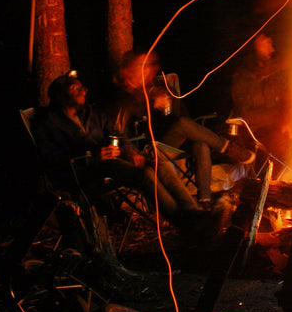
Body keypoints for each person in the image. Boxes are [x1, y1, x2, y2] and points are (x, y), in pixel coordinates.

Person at [33, 71, 206, 234]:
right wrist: (92, 158)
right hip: (84, 173)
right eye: (76, 88)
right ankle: (186, 223)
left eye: (83, 87)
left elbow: (116, 135)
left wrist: (129, 151)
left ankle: (194, 213)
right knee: (144, 174)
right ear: (60, 94)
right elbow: (51, 161)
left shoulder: (93, 113)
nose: (83, 91)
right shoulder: (49, 123)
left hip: (112, 163)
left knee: (157, 166)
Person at [110, 50, 254, 209]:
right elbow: (119, 131)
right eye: (141, 65)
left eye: (148, 65)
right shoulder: (125, 97)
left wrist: (167, 107)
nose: (148, 69)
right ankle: (229, 148)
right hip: (149, 150)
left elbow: (170, 118)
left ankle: (204, 201)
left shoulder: (155, 87)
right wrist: (131, 152)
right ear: (128, 70)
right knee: (183, 124)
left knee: (201, 144)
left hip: (169, 142)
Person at [230, 32, 292, 163]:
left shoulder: (274, 73)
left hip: (276, 128)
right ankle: (276, 180)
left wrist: (288, 120)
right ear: (256, 44)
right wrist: (278, 120)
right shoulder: (242, 77)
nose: (272, 49)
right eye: (268, 44)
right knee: (279, 144)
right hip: (254, 132)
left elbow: (286, 99)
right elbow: (245, 115)